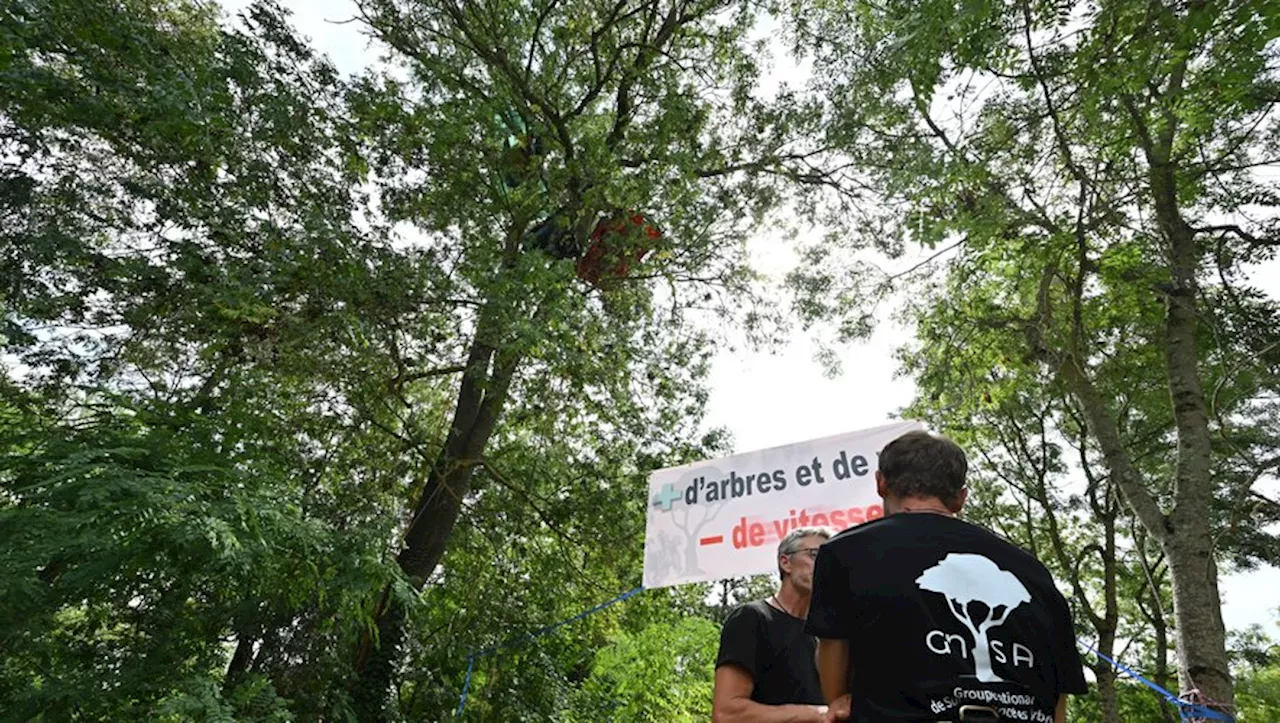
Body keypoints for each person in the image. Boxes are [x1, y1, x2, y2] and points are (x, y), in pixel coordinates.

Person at [805, 430, 1089, 722]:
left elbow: (835, 663)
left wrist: (843, 703)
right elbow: (1059, 693)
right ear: (960, 498)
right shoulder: (1034, 571)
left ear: (881, 483)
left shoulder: (845, 552)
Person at [712, 527, 832, 723]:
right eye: (814, 555)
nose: (825, 564)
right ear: (785, 563)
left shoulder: (825, 636)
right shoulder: (752, 618)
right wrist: (816, 714)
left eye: (830, 558)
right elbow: (726, 714)